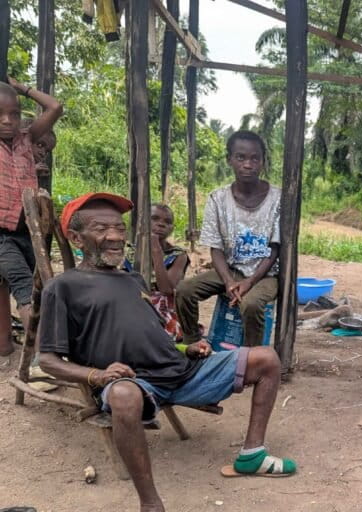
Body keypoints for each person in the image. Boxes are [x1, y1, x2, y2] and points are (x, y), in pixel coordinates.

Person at [38, 193, 296, 512]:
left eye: (120, 227)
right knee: (121, 395)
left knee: (266, 359)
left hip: (183, 371)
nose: (116, 236)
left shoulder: (132, 280)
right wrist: (96, 375)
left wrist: (188, 348)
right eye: (102, 228)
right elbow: (47, 360)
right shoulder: (63, 287)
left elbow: (154, 335)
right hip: (138, 384)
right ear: (76, 238)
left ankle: (251, 454)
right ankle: (150, 503)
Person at [176, 130, 279, 347]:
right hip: (231, 269)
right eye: (241, 157)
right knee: (184, 290)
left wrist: (250, 282)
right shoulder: (217, 199)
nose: (248, 164)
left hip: (266, 273)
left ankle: (253, 359)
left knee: (250, 304)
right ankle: (193, 345)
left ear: (262, 162)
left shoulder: (278, 198)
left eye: (255, 158)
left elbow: (274, 249)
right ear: (229, 160)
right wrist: (229, 281)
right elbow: (216, 248)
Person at [0, 78, 62, 355]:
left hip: (28, 229)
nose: (8, 121)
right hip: (1, 234)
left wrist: (22, 88)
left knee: (33, 285)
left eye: (14, 114)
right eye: (0, 115)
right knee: (26, 290)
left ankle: (4, 345)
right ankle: (42, 358)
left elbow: (55, 106)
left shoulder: (27, 140)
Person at [124, 204, 189, 340]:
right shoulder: (129, 251)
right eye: (155, 219)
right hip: (131, 303)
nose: (161, 225)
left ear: (172, 228)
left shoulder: (178, 255)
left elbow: (166, 289)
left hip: (163, 311)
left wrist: (156, 253)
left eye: (168, 222)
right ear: (144, 222)